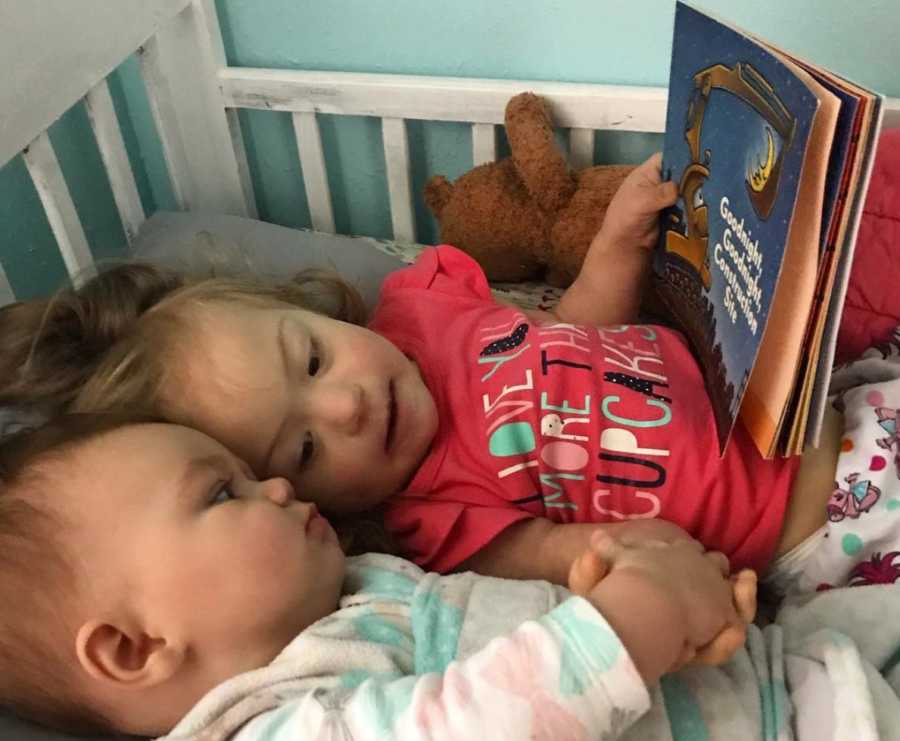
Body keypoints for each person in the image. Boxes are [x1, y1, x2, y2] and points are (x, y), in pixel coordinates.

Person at [3, 414, 900, 741]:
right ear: (133, 646)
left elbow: (508, 647)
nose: (277, 483)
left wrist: (613, 590)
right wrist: (628, 621)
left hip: (779, 706)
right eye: (221, 492)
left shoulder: (361, 592)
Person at [0, 155, 881, 590]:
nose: (345, 405)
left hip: (816, 398)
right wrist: (642, 571)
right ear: (303, 499)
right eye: (302, 447)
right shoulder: (427, 520)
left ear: (315, 311)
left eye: (310, 357)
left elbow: (571, 328)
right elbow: (560, 555)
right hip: (816, 526)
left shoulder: (423, 309)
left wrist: (616, 243)